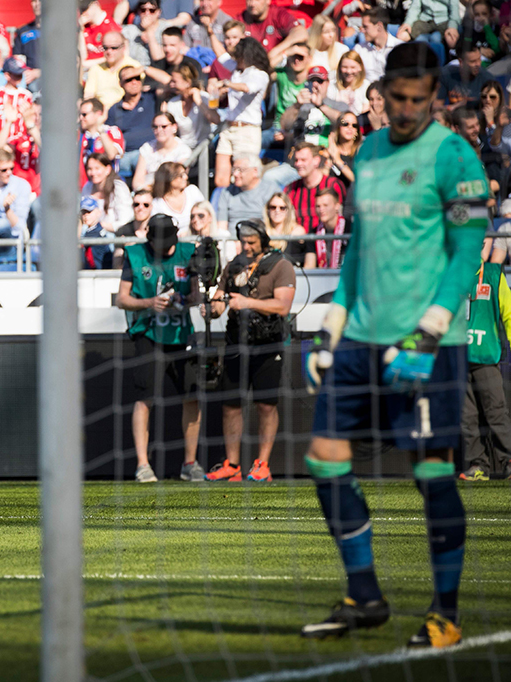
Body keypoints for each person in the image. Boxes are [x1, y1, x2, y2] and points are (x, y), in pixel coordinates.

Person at [302, 42, 489, 648]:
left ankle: (446, 614)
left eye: (419, 99)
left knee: (431, 472)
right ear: (381, 95)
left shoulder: (456, 156)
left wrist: (431, 327)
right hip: (360, 335)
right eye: (397, 98)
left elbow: (467, 254)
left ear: (436, 95)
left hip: (426, 341)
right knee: (324, 458)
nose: (407, 109)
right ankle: (364, 595)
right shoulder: (372, 149)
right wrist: (332, 325)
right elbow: (359, 251)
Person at [204, 219, 295, 483]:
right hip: (236, 341)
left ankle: (262, 464)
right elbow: (221, 298)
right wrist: (213, 308)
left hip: (268, 343)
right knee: (230, 405)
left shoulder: (281, 265)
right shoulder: (233, 264)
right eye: (243, 241)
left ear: (264, 241)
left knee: (266, 405)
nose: (246, 246)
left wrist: (247, 302)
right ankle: (232, 465)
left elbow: (282, 306)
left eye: (252, 242)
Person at [116, 214, 202, 483]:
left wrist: (184, 299)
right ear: (149, 238)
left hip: (181, 333)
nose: (165, 248)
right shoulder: (135, 255)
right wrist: (149, 302)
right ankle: (143, 464)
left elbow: (197, 296)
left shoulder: (189, 253)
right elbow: (122, 299)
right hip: (148, 334)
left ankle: (190, 462)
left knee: (192, 396)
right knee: (145, 398)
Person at [460, 248, 511, 480]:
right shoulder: (451, 275)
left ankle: (508, 460)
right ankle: (478, 465)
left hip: (486, 358)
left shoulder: (492, 273)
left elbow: (509, 313)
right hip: (459, 359)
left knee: (496, 413)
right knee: (467, 418)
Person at [206, 37, 270, 188]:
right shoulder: (237, 70)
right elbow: (221, 56)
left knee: (244, 179)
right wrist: (209, 31)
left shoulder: (260, 74)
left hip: (247, 131)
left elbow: (248, 88)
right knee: (220, 179)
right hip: (229, 128)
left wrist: (227, 84)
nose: (236, 60)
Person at [105, 66, 157, 183]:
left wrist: (144, 68)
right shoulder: (115, 110)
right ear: (121, 84)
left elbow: (169, 82)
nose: (134, 82)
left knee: (143, 158)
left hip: (150, 152)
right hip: (126, 156)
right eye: (128, 79)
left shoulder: (151, 98)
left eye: (137, 78)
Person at [286, 142, 346, 233]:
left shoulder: (333, 185)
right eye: (296, 160)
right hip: (299, 241)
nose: (298, 164)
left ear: (316, 160)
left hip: (327, 239)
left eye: (303, 160)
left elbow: (342, 216)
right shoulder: (291, 188)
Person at [0, 146, 31, 267]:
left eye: (11, 168)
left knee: (2, 224)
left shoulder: (21, 185)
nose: (9, 173)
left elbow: (19, 228)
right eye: (4, 170)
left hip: (9, 243)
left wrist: (7, 209)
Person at [217, 157, 278, 236]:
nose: (235, 174)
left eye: (240, 170)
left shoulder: (270, 191)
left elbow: (277, 225)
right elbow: (222, 227)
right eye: (234, 169)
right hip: (232, 242)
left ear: (255, 171)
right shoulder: (226, 192)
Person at [161, 64, 214, 152]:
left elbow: (216, 120)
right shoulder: (173, 103)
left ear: (187, 83)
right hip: (182, 149)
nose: (171, 85)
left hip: (204, 149)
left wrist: (198, 101)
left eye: (174, 81)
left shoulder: (204, 97)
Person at [84, 31, 142, 111]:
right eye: (105, 48)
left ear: (123, 47)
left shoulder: (134, 66)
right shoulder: (95, 69)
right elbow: (89, 97)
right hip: (100, 113)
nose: (109, 52)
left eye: (114, 48)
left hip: (124, 111)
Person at [133, 113, 192, 190]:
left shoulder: (183, 150)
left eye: (164, 126)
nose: (159, 130)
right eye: (155, 127)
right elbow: (137, 181)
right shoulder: (147, 148)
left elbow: (176, 179)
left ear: (174, 127)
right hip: (146, 192)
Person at [239, 0, 307, 65]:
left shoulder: (278, 14)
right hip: (249, 67)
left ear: (268, 1)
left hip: (278, 68)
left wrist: (276, 51)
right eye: (249, 0)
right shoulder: (241, 19)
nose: (252, 4)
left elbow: (301, 33)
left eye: (257, 0)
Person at [83, 152, 132, 232]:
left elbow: (125, 221)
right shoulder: (88, 187)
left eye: (97, 168)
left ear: (107, 169)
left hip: (114, 235)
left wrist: (100, 225)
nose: (93, 173)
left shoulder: (118, 187)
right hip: (90, 234)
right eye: (89, 169)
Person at [354, 8, 403, 85]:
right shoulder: (359, 49)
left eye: (365, 27)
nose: (362, 30)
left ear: (379, 26)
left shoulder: (399, 47)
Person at [150, 161, 202, 230]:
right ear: (169, 178)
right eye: (181, 175)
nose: (186, 177)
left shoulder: (192, 191)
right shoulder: (157, 203)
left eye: (185, 174)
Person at [303, 186, 346, 269]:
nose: (321, 209)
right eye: (318, 206)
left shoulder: (350, 228)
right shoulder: (313, 233)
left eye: (325, 205)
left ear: (337, 206)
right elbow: (309, 266)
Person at [439, 43, 493, 107]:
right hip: (453, 115)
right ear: (461, 62)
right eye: (473, 61)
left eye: (479, 59)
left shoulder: (487, 79)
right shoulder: (447, 75)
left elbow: (496, 109)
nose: (478, 64)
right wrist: (453, 108)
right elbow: (436, 108)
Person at [121, 0, 171, 68]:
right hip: (133, 70)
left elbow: (159, 59)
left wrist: (149, 30)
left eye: (152, 10)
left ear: (158, 12)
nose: (147, 13)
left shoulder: (166, 29)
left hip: (157, 71)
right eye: (143, 10)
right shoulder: (128, 31)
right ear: (138, 11)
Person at [113, 188, 153, 268]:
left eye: (146, 205)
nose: (140, 208)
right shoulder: (123, 231)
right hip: (131, 274)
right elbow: (117, 266)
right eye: (136, 204)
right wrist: (128, 250)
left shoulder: (157, 229)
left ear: (151, 207)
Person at [262, 192, 305, 263]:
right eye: (273, 207)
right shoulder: (263, 231)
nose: (277, 211)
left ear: (288, 210)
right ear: (268, 210)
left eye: (282, 208)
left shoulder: (297, 231)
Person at [327, 111, 361, 186]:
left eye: (354, 125)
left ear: (357, 130)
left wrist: (338, 160)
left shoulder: (360, 153)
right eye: (345, 124)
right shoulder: (330, 152)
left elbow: (358, 180)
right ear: (338, 127)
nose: (350, 128)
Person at [308, 14, 346, 78]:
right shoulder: (308, 52)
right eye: (326, 32)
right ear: (317, 33)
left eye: (333, 30)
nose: (331, 35)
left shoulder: (342, 50)